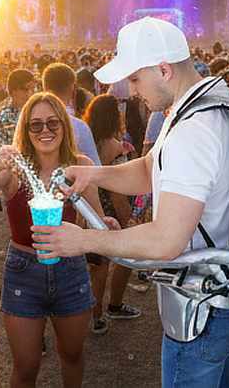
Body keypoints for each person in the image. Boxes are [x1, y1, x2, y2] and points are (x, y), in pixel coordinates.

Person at [33, 17, 229, 388]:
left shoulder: (193, 130)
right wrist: (94, 174)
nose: (130, 90)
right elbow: (152, 168)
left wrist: (83, 240)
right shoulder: (200, 105)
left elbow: (166, 241)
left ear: (164, 70)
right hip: (225, 298)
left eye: (134, 78)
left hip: (202, 309)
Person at [0, 92, 105, 388]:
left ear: (64, 125)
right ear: (25, 130)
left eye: (52, 122)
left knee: (72, 354)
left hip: (71, 268)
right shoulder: (16, 168)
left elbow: (97, 221)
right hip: (24, 271)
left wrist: (106, 228)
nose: (45, 130)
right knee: (26, 366)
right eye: (35, 125)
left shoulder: (79, 165)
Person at [83, 94, 143, 335]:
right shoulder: (114, 146)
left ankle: (93, 313)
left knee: (93, 266)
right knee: (113, 264)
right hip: (110, 212)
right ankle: (106, 311)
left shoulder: (88, 139)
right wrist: (129, 220)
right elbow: (118, 192)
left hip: (90, 207)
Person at [41, 63, 102, 166]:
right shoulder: (79, 127)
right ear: (73, 88)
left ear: (44, 87)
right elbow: (95, 167)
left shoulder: (29, 123)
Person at [0, 69, 37, 148]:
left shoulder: (36, 109)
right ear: (14, 91)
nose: (30, 94)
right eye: (26, 89)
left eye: (33, 89)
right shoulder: (2, 117)